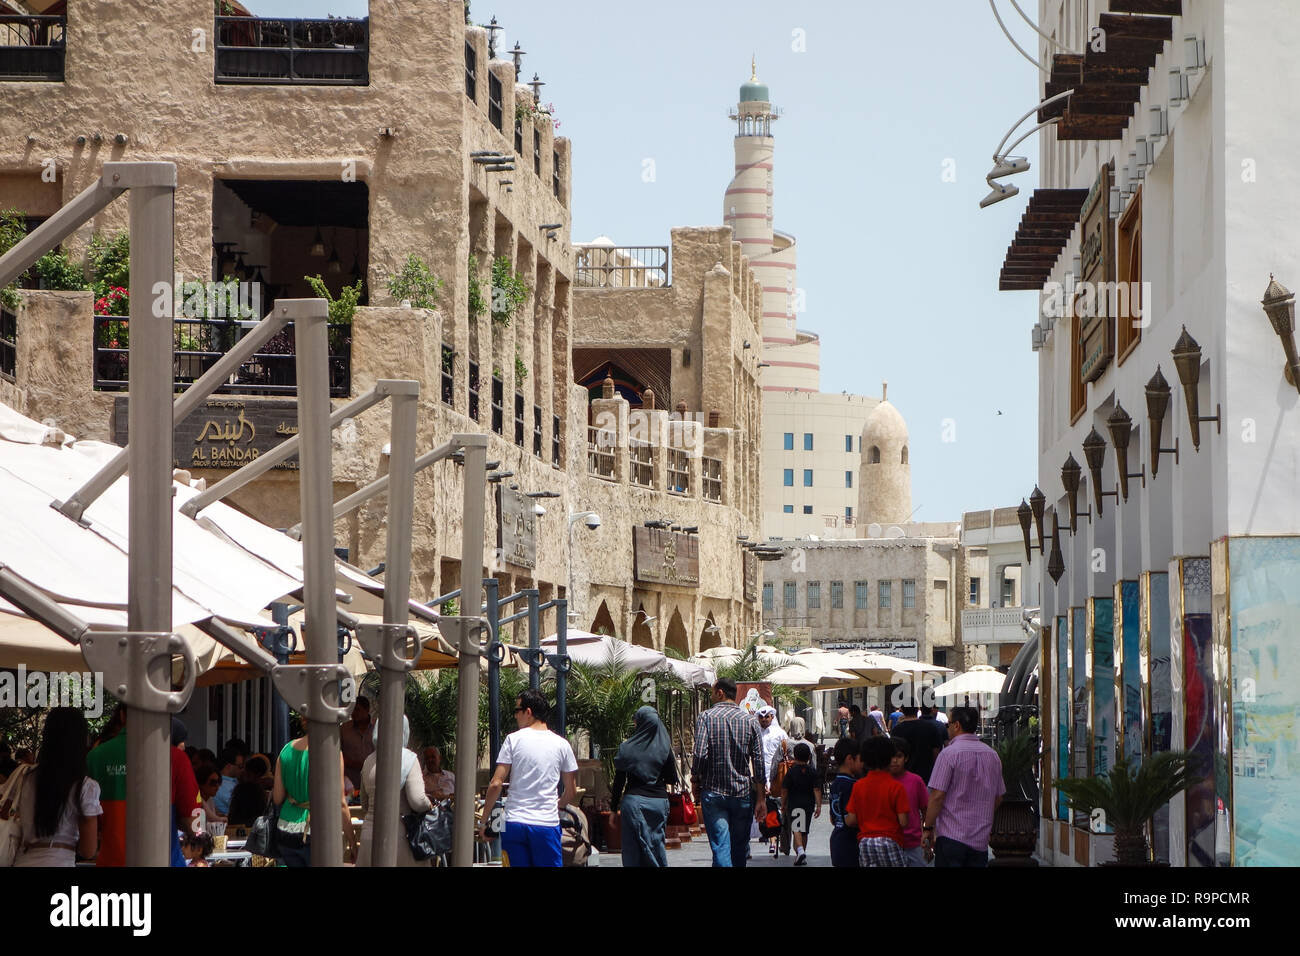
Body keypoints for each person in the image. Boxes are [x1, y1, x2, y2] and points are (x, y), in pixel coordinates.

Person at [479, 690, 578, 868]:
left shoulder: (513, 740)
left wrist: (484, 821)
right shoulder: (562, 744)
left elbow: (495, 784)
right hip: (546, 824)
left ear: (528, 712)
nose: (515, 715)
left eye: (517, 710)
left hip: (513, 823)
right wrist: (558, 805)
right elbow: (571, 791)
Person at [690, 677, 766, 868]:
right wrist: (761, 798)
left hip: (714, 792)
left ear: (720, 692)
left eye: (713, 692)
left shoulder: (706, 717)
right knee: (739, 847)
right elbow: (758, 762)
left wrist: (695, 779)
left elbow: (700, 754)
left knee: (720, 846)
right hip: (742, 794)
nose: (712, 696)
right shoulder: (751, 721)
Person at [14, 707, 100, 867]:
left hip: (23, 860)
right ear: (80, 740)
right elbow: (88, 850)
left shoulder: (27, 778)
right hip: (60, 861)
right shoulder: (86, 787)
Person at [922, 707, 1004, 867]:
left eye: (948, 724)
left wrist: (928, 827)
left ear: (957, 725)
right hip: (980, 839)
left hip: (951, 836)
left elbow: (937, 797)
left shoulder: (948, 755)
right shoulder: (992, 755)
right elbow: (999, 797)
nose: (947, 728)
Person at [357, 715, 432, 867]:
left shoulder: (368, 761)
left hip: (369, 837)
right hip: (401, 839)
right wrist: (429, 804)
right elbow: (417, 801)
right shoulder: (409, 758)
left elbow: (364, 804)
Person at [272, 730, 354, 867]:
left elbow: (277, 798)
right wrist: (352, 841)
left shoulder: (285, 750)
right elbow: (340, 803)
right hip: (318, 830)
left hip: (285, 830)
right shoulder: (332, 753)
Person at [609, 705, 677, 867]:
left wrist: (613, 809)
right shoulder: (664, 748)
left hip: (633, 803)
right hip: (658, 803)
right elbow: (672, 779)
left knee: (632, 848)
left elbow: (619, 781)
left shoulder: (627, 748)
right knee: (655, 844)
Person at [844, 736, 909, 867]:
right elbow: (903, 822)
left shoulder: (858, 786)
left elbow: (851, 820)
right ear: (889, 758)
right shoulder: (896, 787)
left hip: (865, 843)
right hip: (891, 840)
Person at [86, 705, 128, 866]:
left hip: (109, 858)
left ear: (122, 716)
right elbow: (193, 821)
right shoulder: (173, 758)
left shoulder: (95, 756)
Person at [780, 743, 822, 866]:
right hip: (808, 804)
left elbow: (784, 789)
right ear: (809, 757)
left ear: (794, 756)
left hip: (795, 804)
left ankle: (800, 851)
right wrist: (818, 806)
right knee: (804, 831)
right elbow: (817, 789)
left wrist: (783, 803)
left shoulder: (791, 772)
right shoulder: (813, 772)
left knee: (796, 828)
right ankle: (801, 853)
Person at [890, 738, 930, 866]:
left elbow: (926, 810)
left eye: (899, 756)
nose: (894, 761)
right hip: (889, 843)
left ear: (906, 758)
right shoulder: (882, 782)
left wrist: (928, 832)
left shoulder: (916, 781)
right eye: (891, 757)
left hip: (913, 842)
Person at [756, 705, 789, 857]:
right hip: (760, 776)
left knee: (778, 808)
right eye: (761, 717)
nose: (764, 720)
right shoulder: (755, 732)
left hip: (776, 777)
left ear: (772, 717)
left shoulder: (780, 733)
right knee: (768, 809)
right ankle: (772, 839)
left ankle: (778, 839)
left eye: (766, 717)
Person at [828, 737, 863, 868]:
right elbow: (852, 819)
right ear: (850, 759)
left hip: (837, 839)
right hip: (851, 842)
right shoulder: (854, 786)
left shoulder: (835, 784)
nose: (863, 764)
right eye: (860, 759)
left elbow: (833, 818)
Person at [891, 706, 946, 784]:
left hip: (904, 776)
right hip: (926, 775)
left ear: (902, 711)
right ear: (917, 709)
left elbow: (893, 752)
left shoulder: (897, 729)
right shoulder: (930, 727)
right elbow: (936, 751)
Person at [340, 695, 376, 792]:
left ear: (367, 710)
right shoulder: (344, 729)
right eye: (352, 710)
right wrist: (348, 762)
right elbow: (336, 752)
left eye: (357, 710)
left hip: (371, 782)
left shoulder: (377, 729)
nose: (353, 713)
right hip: (349, 783)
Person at [213, 745, 244, 817]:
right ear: (228, 766)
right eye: (240, 766)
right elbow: (242, 806)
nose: (243, 770)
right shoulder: (223, 786)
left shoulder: (232, 782)